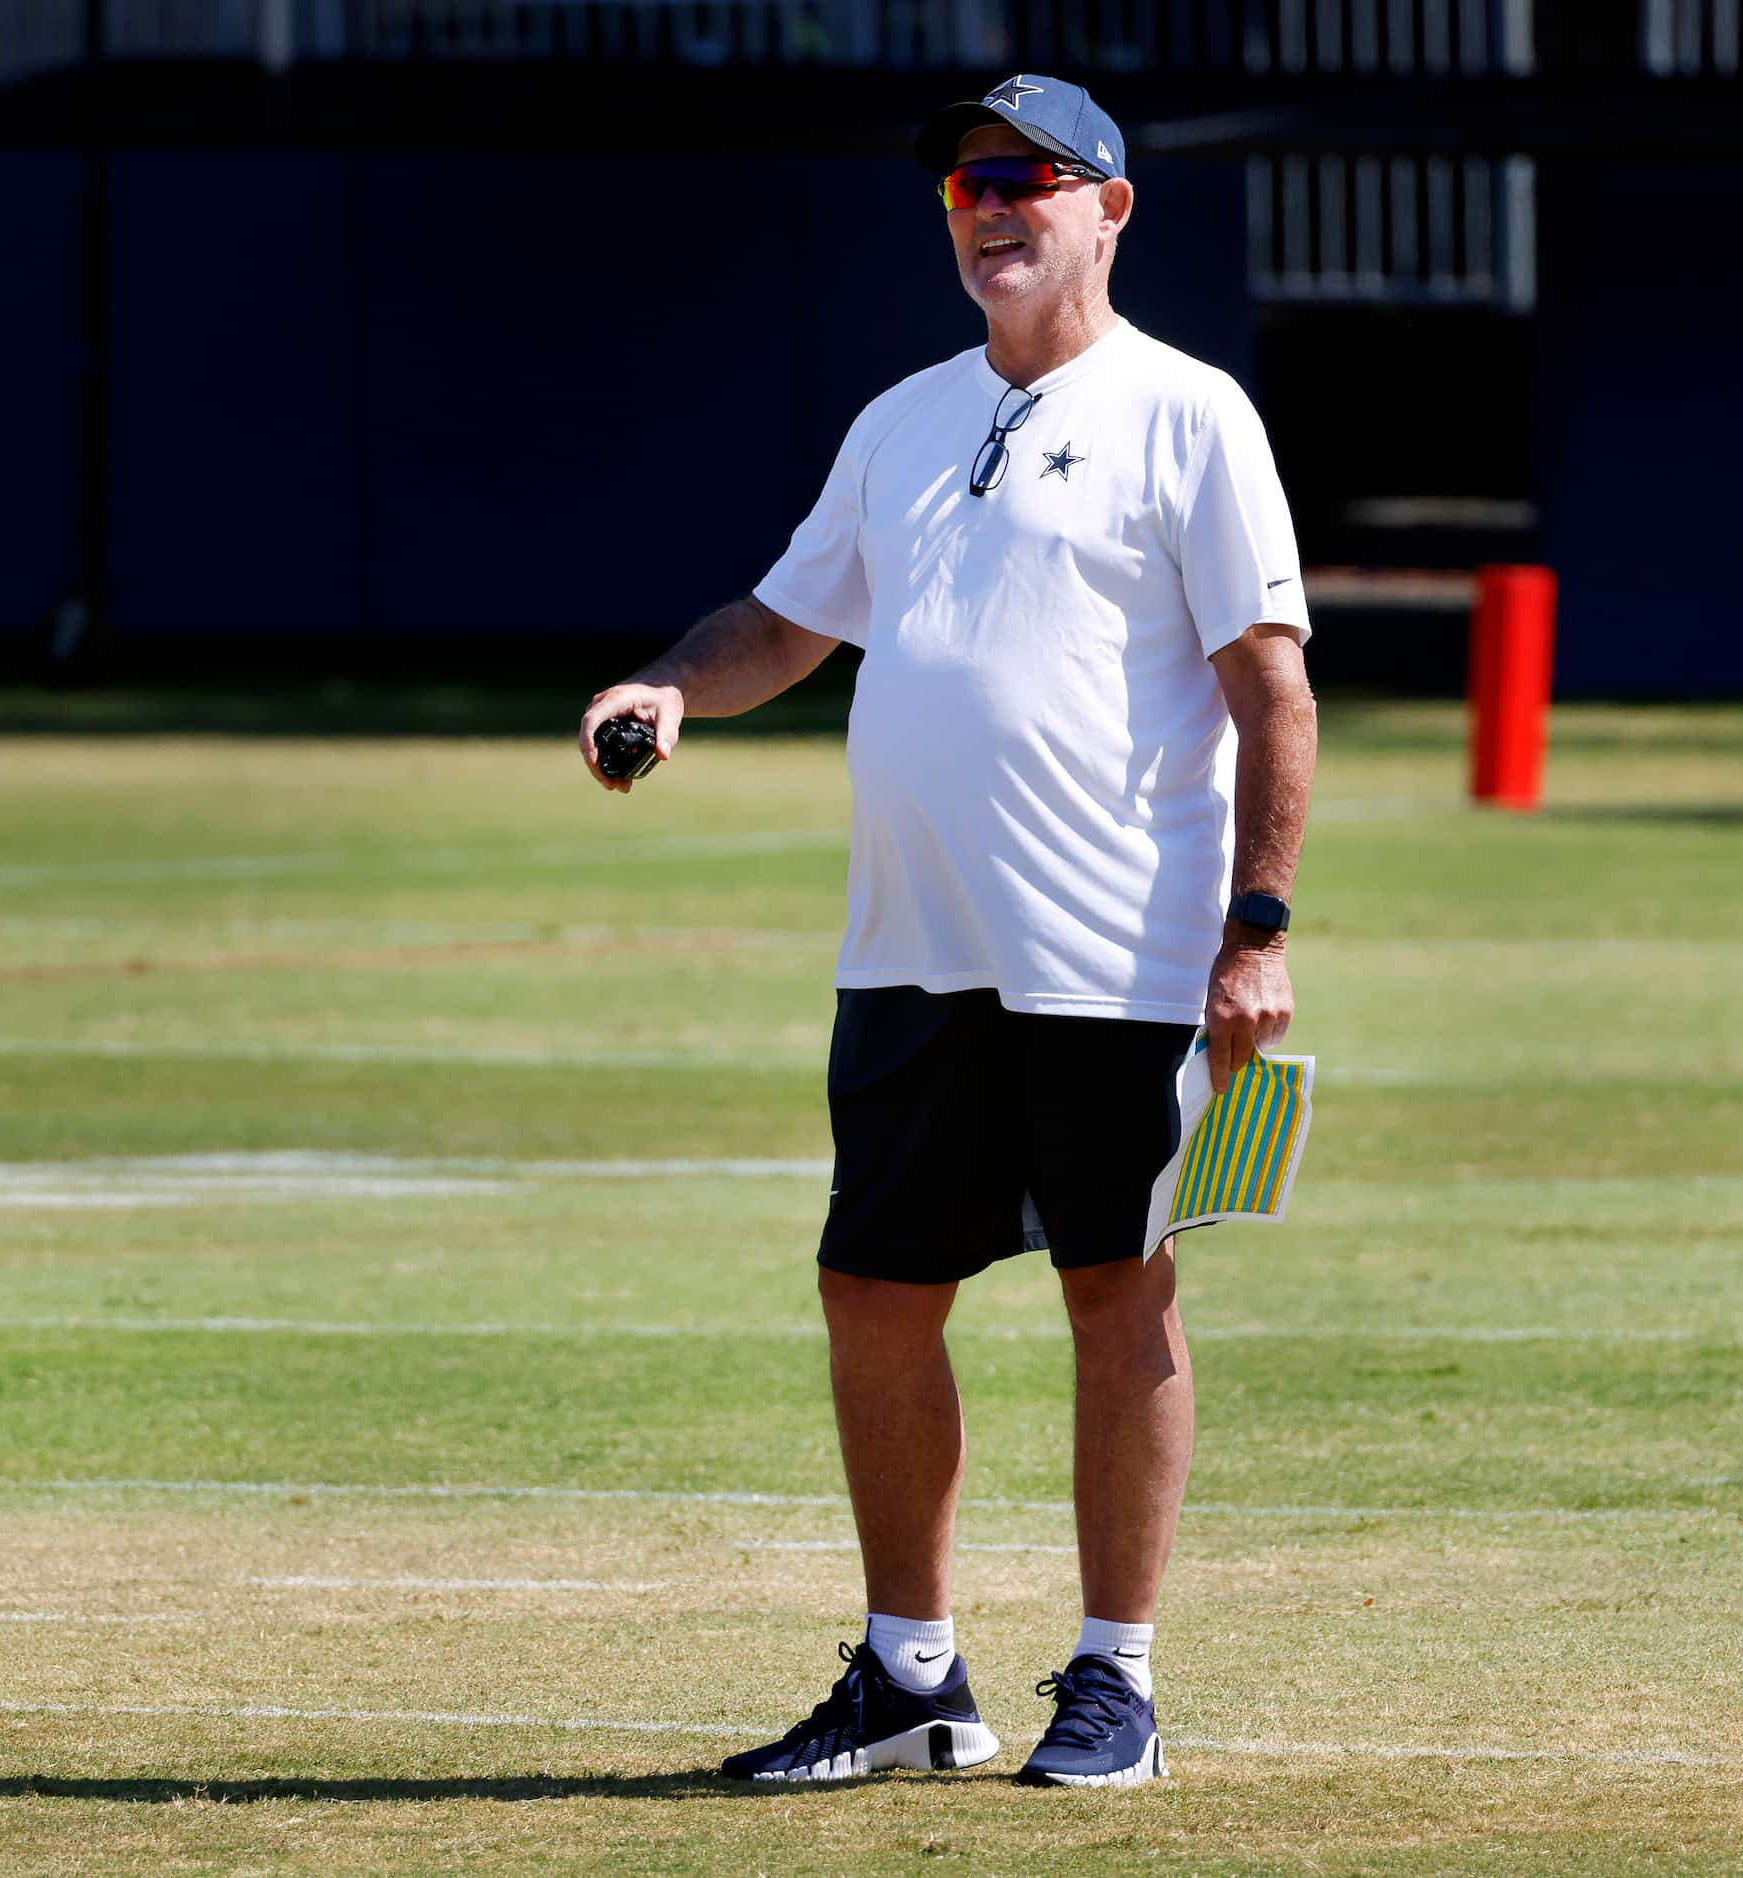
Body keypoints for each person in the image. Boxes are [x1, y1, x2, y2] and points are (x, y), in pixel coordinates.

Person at [575, 73, 1316, 1790]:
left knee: (1115, 1289)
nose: (986, 206)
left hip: (1113, 952)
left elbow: (1269, 691)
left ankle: (1114, 1680)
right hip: (910, 953)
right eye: (963, 185)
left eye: (1024, 179)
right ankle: (911, 1676)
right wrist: (669, 686)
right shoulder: (900, 419)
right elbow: (782, 617)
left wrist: (1255, 925)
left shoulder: (1188, 415)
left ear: (1108, 208)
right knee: (871, 1290)